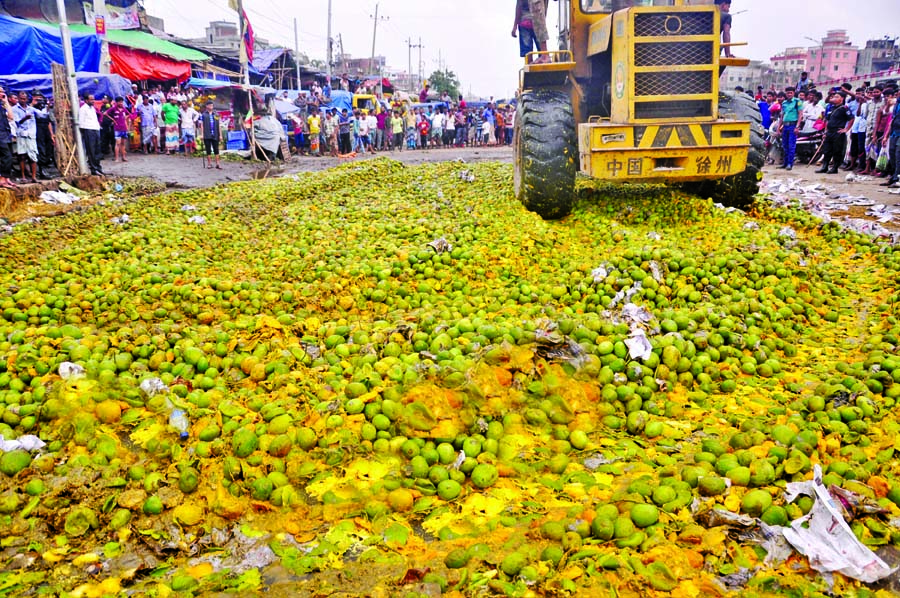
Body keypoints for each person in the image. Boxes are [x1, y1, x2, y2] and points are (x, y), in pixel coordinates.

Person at [816, 92, 854, 175]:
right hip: (829, 132)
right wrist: (825, 132)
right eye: (834, 96)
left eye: (837, 97)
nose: (834, 98)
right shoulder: (831, 108)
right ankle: (824, 167)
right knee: (826, 150)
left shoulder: (844, 108)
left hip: (838, 132)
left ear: (842, 98)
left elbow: (851, 118)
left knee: (837, 151)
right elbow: (827, 120)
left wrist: (846, 129)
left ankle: (835, 168)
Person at [13, 92, 38, 183]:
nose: (23, 100)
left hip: (31, 135)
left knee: (33, 156)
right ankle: (23, 176)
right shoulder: (14, 109)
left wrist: (47, 107)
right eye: (21, 98)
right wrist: (24, 118)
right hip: (21, 134)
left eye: (24, 99)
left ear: (27, 99)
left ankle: (34, 177)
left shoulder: (31, 109)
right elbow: (16, 122)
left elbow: (43, 115)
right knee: (22, 156)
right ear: (18, 99)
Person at [78, 94, 103, 176]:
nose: (93, 101)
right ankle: (93, 169)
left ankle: (98, 167)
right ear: (86, 100)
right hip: (88, 130)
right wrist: (85, 132)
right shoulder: (83, 109)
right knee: (91, 150)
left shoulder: (92, 108)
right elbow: (81, 122)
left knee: (97, 150)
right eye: (91, 99)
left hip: (96, 129)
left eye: (93, 99)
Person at [777, 87, 801, 171]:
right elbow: (782, 116)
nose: (789, 94)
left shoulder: (797, 102)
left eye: (791, 92)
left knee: (791, 145)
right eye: (788, 93)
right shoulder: (784, 103)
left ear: (794, 93)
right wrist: (778, 128)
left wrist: (797, 126)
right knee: (784, 145)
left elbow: (800, 114)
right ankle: (785, 163)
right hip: (785, 126)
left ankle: (790, 164)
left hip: (793, 125)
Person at [104, 97, 134, 163]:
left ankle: (123, 157)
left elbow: (129, 114)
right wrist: (113, 120)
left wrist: (126, 118)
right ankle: (116, 158)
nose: (121, 103)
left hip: (124, 128)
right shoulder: (113, 108)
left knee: (123, 144)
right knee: (117, 143)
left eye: (121, 102)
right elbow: (105, 113)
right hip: (117, 128)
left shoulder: (124, 109)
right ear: (116, 102)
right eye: (119, 102)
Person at [32, 94, 55, 179]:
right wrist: (33, 103)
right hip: (38, 129)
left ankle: (46, 168)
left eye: (41, 99)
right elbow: (38, 115)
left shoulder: (45, 108)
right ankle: (42, 170)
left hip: (46, 130)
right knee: (41, 149)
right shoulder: (32, 108)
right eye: (38, 99)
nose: (40, 101)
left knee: (49, 149)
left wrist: (51, 134)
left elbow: (48, 121)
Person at [0, 87, 16, 189]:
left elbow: (11, 117)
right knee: (6, 156)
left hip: (6, 133)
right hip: (0, 135)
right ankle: (2, 178)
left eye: (3, 92)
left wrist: (6, 102)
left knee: (9, 156)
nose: (2, 94)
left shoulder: (2, 106)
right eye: (0, 92)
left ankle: (6, 178)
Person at [199, 101, 221, 169]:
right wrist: (202, 135)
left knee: (216, 149)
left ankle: (217, 163)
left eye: (212, 105)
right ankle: (209, 163)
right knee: (208, 149)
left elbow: (219, 125)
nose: (211, 106)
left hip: (215, 134)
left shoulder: (216, 114)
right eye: (210, 105)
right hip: (207, 134)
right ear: (207, 106)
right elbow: (201, 125)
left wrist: (220, 135)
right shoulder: (203, 115)